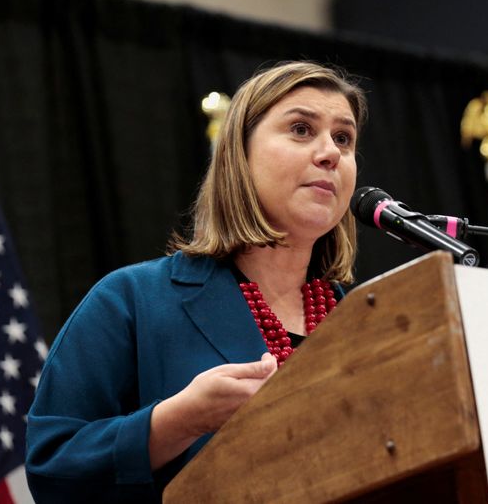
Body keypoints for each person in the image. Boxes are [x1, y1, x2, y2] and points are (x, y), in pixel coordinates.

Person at [25, 60, 367, 502]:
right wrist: (178, 421)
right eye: (301, 129)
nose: (330, 153)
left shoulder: (362, 319)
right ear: (238, 156)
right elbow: (52, 468)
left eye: (344, 138)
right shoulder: (132, 299)